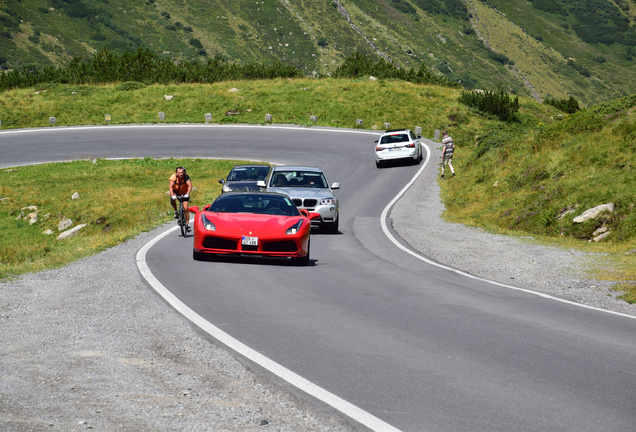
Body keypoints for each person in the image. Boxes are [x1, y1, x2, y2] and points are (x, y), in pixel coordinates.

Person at [169, 166, 193, 232]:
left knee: (185, 209)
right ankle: (176, 211)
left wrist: (187, 193)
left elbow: (190, 186)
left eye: (182, 172)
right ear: (176, 173)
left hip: (184, 193)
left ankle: (187, 224)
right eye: (179, 173)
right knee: (172, 198)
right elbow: (170, 187)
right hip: (176, 192)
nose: (181, 174)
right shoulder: (173, 177)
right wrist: (172, 195)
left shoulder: (186, 176)